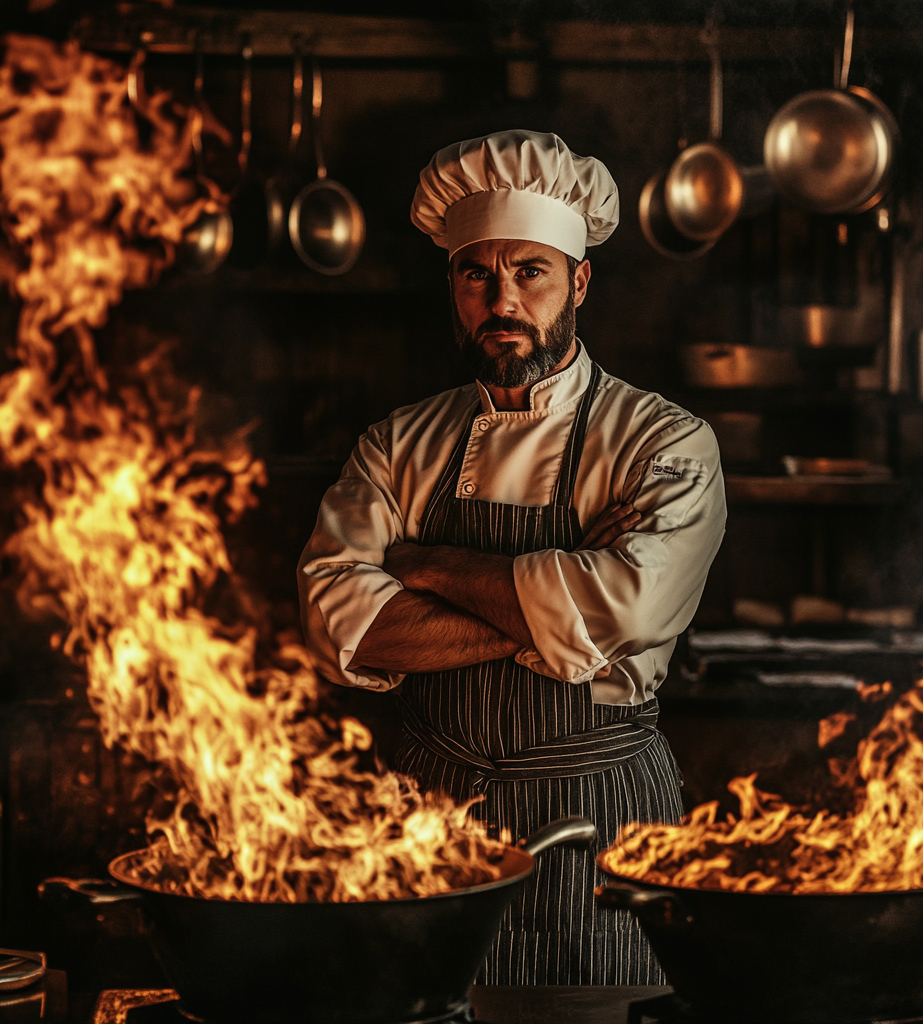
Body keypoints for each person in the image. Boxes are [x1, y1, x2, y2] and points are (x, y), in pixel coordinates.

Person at [298, 130, 726, 985]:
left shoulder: (666, 442)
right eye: (475, 273)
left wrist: (421, 563)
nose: (503, 299)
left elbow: (630, 610)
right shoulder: (398, 442)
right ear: (452, 286)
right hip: (431, 815)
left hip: (604, 818)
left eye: (529, 270)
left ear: (579, 280)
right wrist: (559, 617)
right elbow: (339, 620)